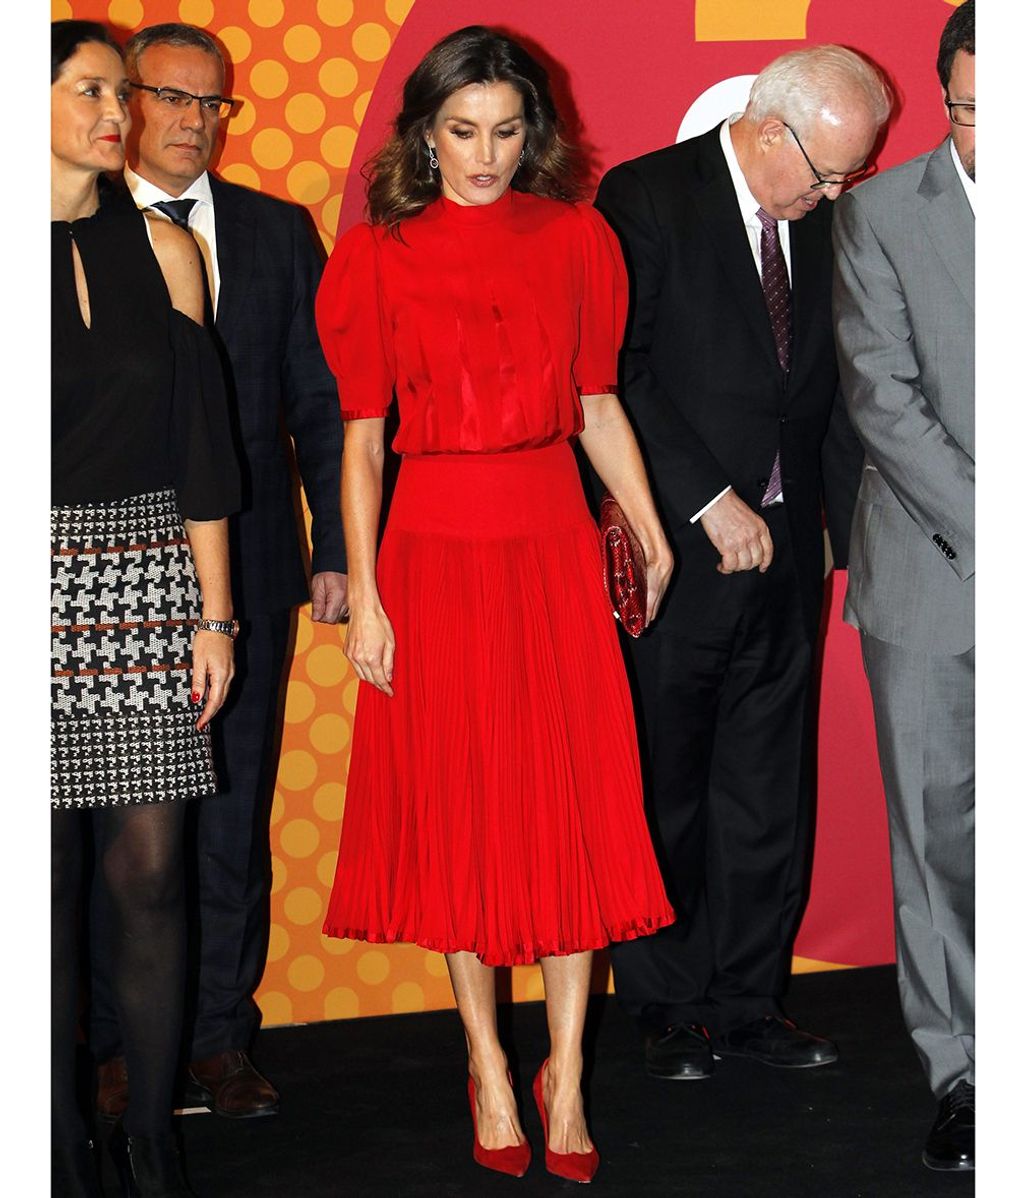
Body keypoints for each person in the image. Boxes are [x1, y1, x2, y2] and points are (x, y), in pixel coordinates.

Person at [315, 25, 675, 1184]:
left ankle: (563, 1071)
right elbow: (360, 443)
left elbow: (600, 402)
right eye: (462, 131)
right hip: (431, 552)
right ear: (423, 130)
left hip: (548, 545)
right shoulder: (376, 254)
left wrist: (649, 528)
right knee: (467, 814)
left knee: (565, 808)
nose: (484, 155)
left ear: (537, 132)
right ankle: (485, 1060)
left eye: (507, 131)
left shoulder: (575, 234)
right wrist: (366, 593)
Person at [594, 46, 890, 1080]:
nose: (835, 194)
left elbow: (837, 392)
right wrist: (704, 501)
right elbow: (613, 374)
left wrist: (849, 541)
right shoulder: (645, 197)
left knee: (770, 786)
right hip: (677, 546)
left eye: (848, 176)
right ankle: (669, 1004)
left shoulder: (822, 215)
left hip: (786, 548)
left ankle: (751, 999)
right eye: (823, 172)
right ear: (771, 131)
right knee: (665, 779)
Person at [91, 22, 348, 1122]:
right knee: (117, 828)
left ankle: (215, 1043)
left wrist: (337, 550)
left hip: (247, 567)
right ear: (126, 103)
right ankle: (109, 1045)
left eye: (214, 105)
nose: (194, 122)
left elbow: (324, 407)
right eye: (173, 99)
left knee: (233, 816)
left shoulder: (277, 232)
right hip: (101, 576)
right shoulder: (69, 222)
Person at [51, 19, 239, 1197]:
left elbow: (204, 450)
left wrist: (213, 615)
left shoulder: (167, 249)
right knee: (44, 890)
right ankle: (61, 1138)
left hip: (144, 576)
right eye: (89, 89)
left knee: (150, 876)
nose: (116, 110)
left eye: (122, 92)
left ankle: (156, 1137)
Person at [831, 0, 975, 1172]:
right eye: (971, 111)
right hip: (938, 574)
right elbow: (881, 397)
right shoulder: (880, 213)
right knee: (939, 838)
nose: (989, 137)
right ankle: (967, 1067)